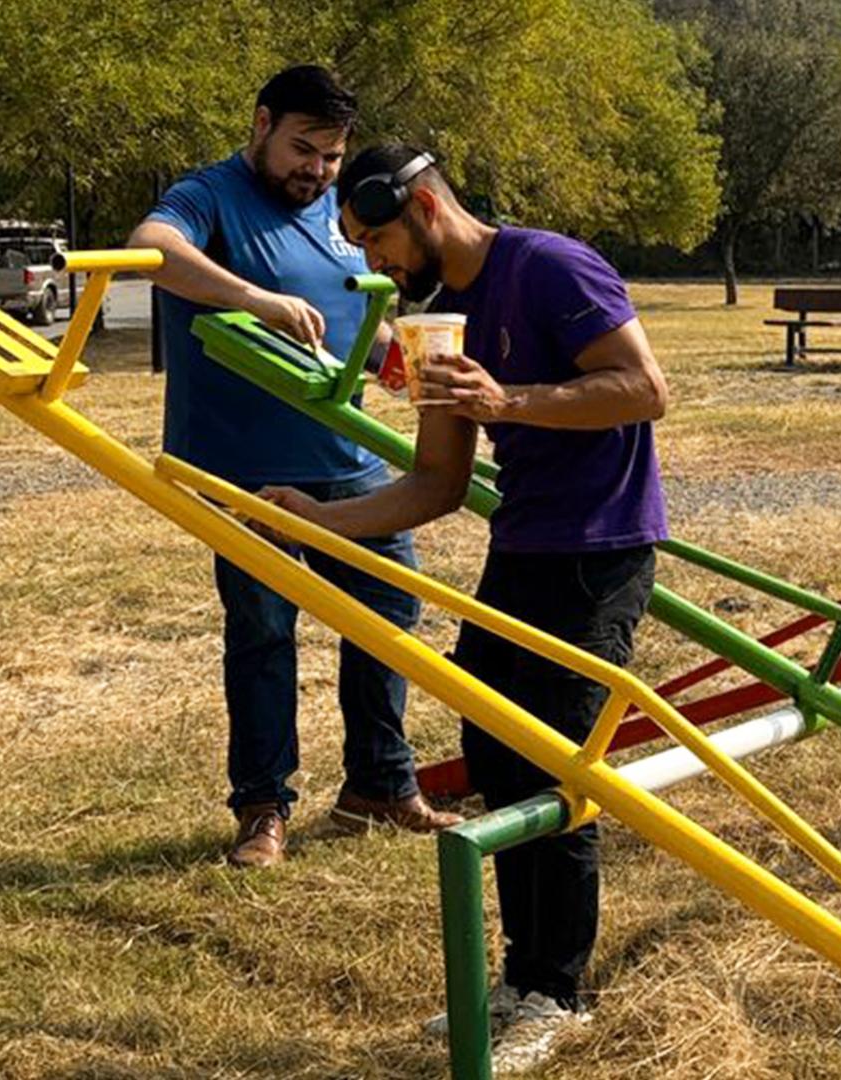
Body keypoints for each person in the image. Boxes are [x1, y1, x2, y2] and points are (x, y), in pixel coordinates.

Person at [260, 143, 669, 1072]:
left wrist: (509, 399)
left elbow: (646, 389)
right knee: (492, 753)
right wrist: (322, 522)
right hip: (521, 547)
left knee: (555, 766)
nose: (376, 263)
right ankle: (521, 979)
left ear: (425, 211)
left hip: (601, 551)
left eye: (376, 239)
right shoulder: (434, 315)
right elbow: (438, 482)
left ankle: (558, 994)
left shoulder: (552, 266)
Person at [126, 67, 457, 870]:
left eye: (333, 156)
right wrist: (251, 297)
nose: (316, 170)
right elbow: (149, 250)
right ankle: (263, 808)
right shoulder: (210, 195)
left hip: (348, 461)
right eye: (303, 148)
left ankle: (379, 784)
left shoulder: (340, 216)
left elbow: (354, 325)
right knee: (265, 633)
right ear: (262, 123)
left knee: (389, 615)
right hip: (243, 469)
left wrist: (407, 367)